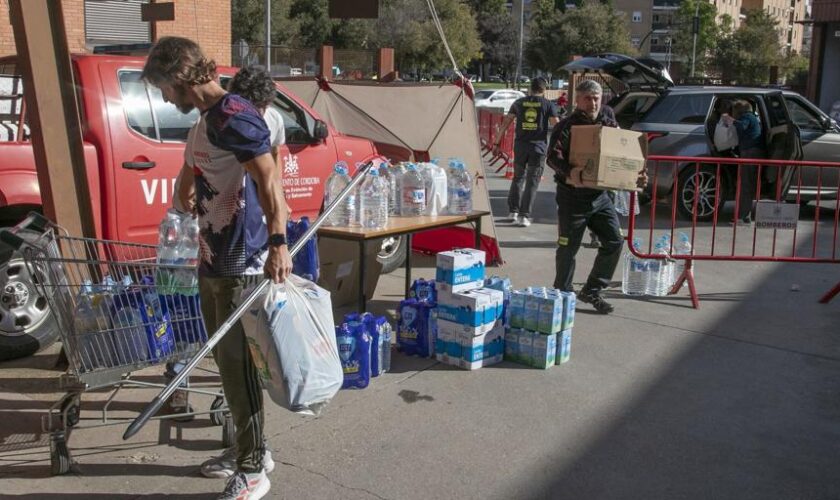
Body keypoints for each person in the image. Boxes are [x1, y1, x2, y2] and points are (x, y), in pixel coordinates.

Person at [143, 36, 292, 500]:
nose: (164, 98)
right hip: (212, 256)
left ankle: (253, 469)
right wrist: (184, 191)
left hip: (241, 259)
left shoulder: (235, 116)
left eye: (163, 88)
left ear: (177, 76)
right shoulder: (207, 121)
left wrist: (279, 243)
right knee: (228, 367)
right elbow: (190, 172)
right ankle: (249, 449)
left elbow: (269, 179)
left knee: (237, 365)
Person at [164, 67, 288, 422]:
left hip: (245, 252)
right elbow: (187, 180)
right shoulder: (210, 126)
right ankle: (243, 427)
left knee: (238, 357)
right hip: (215, 249)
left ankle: (252, 454)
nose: (251, 118)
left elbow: (271, 171)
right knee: (226, 351)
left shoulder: (268, 122)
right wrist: (183, 206)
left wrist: (277, 228)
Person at [546, 79, 647, 314]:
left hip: (600, 196)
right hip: (572, 196)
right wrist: (570, 172)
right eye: (588, 99)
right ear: (578, 100)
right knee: (568, 247)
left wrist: (636, 174)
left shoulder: (608, 118)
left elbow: (622, 152)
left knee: (614, 241)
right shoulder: (568, 126)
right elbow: (552, 157)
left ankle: (592, 290)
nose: (593, 103)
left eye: (596, 99)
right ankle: (562, 293)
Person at [493, 77, 559, 227]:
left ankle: (513, 211)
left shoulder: (518, 103)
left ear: (530, 88)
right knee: (532, 181)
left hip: (521, 147)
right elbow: (557, 126)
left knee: (518, 178)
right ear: (544, 90)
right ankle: (524, 216)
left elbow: (505, 123)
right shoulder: (548, 104)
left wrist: (496, 142)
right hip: (538, 148)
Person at [723, 99, 765, 224]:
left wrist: (730, 120)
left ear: (739, 110)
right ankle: (745, 216)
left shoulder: (747, 116)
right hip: (752, 152)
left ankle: (742, 217)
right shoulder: (752, 118)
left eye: (734, 111)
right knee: (748, 185)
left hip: (750, 153)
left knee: (746, 185)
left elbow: (742, 126)